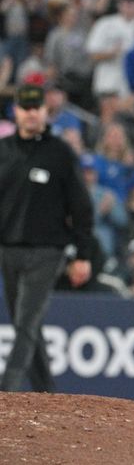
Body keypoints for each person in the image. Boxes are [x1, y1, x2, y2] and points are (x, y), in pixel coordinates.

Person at [0, 84, 93, 392]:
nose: (30, 114)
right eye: (25, 108)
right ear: (16, 111)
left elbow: (81, 206)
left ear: (44, 111)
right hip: (8, 248)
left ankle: (7, 389)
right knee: (25, 322)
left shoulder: (60, 152)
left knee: (26, 321)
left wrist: (82, 254)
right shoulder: (3, 151)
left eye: (35, 108)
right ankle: (46, 392)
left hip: (47, 251)